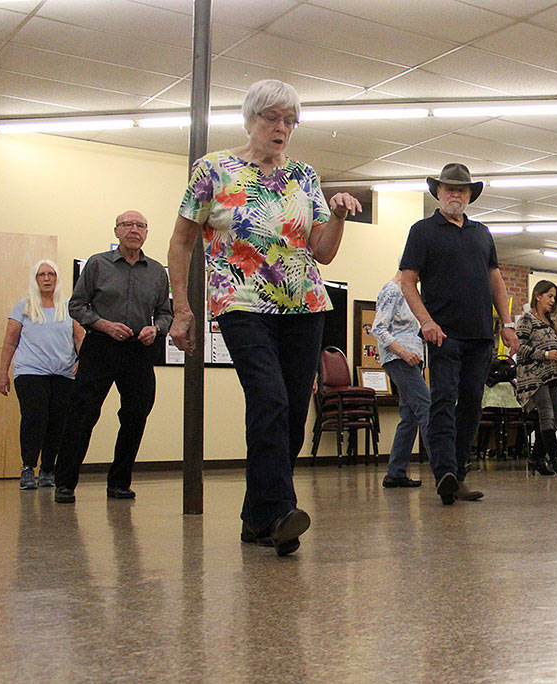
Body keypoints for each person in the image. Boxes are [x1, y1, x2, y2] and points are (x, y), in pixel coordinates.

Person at [168, 79, 363, 556]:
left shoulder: (304, 175)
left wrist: (336, 215)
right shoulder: (213, 169)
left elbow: (322, 252)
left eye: (290, 121)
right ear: (250, 118)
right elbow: (181, 242)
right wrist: (181, 308)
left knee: (293, 412)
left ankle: (257, 520)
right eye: (272, 118)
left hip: (305, 306)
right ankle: (280, 513)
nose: (282, 128)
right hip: (241, 302)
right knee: (270, 399)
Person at [398, 162, 519, 505]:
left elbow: (495, 279)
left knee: (471, 405)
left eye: (462, 189)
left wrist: (507, 324)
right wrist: (426, 321)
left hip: (481, 336)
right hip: (443, 335)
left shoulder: (482, 233)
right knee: (443, 401)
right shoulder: (422, 231)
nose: (455, 194)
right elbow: (408, 281)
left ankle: (459, 474)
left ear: (470, 196)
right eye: (449, 188)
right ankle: (445, 472)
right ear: (437, 192)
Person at [54, 211, 173, 505]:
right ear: (117, 231)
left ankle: (119, 483)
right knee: (82, 415)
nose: (134, 230)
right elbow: (77, 305)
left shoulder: (157, 272)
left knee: (136, 416)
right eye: (128, 225)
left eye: (141, 226)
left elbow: (165, 313)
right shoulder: (97, 264)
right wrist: (104, 324)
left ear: (146, 233)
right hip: (101, 346)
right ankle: (65, 483)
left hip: (138, 350)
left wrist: (155, 329)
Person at [0, 260, 85, 490]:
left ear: (57, 279)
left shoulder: (68, 308)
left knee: (58, 422)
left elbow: (80, 337)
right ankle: (28, 468)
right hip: (30, 373)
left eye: (51, 274)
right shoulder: (23, 307)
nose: (47, 279)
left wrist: (82, 361)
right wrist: (3, 373)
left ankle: (47, 469)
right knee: (34, 418)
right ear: (35, 279)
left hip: (63, 374)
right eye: (42, 275)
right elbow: (10, 342)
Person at [370, 272, 428, 489]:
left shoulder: (409, 293)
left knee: (410, 416)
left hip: (412, 360)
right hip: (400, 359)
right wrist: (404, 353)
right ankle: (445, 466)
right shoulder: (392, 289)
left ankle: (396, 473)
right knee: (426, 407)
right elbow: (378, 328)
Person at [515, 279, 557, 477]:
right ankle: (556, 457)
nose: (552, 300)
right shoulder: (526, 319)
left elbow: (552, 347)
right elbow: (519, 349)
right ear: (538, 296)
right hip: (533, 375)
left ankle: (536, 458)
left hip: (552, 374)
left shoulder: (551, 322)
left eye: (554, 297)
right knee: (546, 414)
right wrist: (545, 355)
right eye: (549, 295)